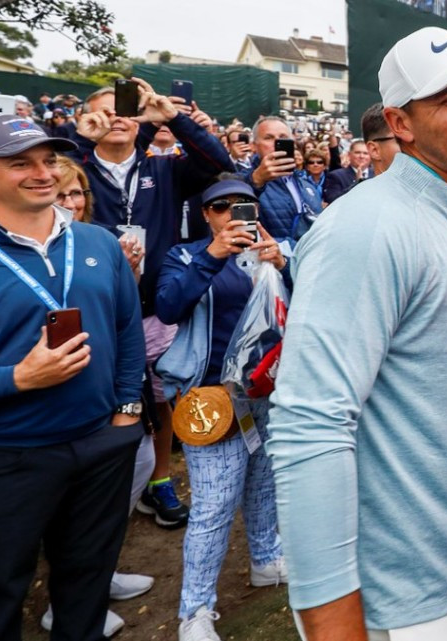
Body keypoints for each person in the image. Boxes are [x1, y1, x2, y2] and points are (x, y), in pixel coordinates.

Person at [267, 27, 447, 640]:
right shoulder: (366, 227)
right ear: (399, 124)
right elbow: (309, 424)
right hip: (395, 592)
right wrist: (331, 618)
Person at [0, 114, 145, 641]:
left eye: (49, 160)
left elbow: (127, 330)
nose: (43, 173)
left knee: (86, 586)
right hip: (4, 454)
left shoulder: (97, 241)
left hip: (99, 444)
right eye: (19, 163)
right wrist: (15, 379)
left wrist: (127, 412)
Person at [74, 78, 233, 531]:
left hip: (155, 310)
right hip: (98, 312)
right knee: (106, 403)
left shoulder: (162, 169)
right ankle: (98, 492)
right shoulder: (76, 171)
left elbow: (218, 164)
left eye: (124, 110)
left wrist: (174, 119)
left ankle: (159, 479)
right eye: (104, 112)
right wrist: (79, 139)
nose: (116, 118)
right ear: (88, 119)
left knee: (161, 401)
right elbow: (48, 180)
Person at [154, 177, 289, 641]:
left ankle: (266, 560)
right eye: (221, 206)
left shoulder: (274, 249)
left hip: (268, 388)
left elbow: (306, 303)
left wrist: (285, 266)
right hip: (211, 395)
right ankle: (195, 610)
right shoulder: (185, 255)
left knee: (264, 483)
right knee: (214, 505)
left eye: (244, 204)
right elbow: (168, 307)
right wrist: (212, 256)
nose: (233, 213)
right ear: (206, 214)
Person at [239, 116, 321, 249]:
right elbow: (238, 223)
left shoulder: (305, 183)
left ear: (292, 142)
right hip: (268, 257)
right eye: (268, 138)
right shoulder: (242, 180)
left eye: (283, 137)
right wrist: (255, 180)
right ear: (254, 146)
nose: (277, 142)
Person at [323, 140, 370, 205]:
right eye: (357, 153)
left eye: (365, 153)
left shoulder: (377, 174)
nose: (361, 156)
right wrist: (356, 183)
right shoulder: (335, 176)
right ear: (349, 155)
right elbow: (333, 200)